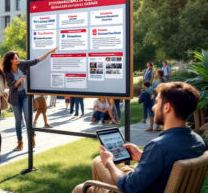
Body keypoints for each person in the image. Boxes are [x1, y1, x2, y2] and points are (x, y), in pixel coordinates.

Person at [73, 82, 206, 193]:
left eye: (157, 102)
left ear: (167, 107)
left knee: (84, 184)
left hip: (139, 188)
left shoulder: (158, 146)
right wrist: (142, 155)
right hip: (155, 184)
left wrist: (108, 162)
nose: (153, 107)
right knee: (98, 163)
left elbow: (129, 186)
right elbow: (168, 164)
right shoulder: (198, 141)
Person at [2, 48, 56, 151]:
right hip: (15, 96)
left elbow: (37, 60)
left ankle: (31, 138)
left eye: (17, 57)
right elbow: (11, 85)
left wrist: (49, 53)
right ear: (10, 61)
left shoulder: (22, 64)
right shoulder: (7, 71)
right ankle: (20, 143)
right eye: (15, 58)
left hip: (25, 95)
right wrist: (19, 81)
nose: (18, 59)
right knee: (18, 121)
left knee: (28, 118)